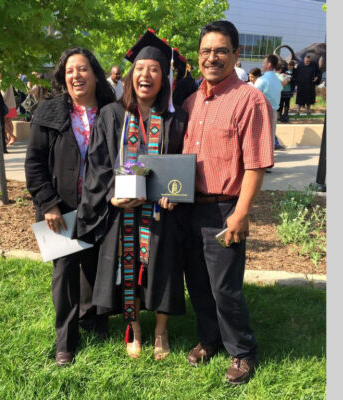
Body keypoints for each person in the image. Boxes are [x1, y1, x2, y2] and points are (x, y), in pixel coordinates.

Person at [76, 29, 188, 360]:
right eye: (140, 69)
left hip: (161, 214)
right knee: (128, 269)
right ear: (130, 75)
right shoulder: (112, 115)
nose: (146, 75)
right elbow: (97, 164)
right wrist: (111, 196)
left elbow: (182, 165)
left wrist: (174, 193)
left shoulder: (175, 118)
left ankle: (161, 333)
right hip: (122, 213)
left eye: (154, 69)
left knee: (164, 268)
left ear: (163, 77)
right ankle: (134, 328)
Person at [181, 20, 274, 385]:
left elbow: (256, 164)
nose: (212, 57)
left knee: (225, 287)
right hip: (189, 207)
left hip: (224, 208)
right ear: (198, 56)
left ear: (236, 54)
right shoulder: (191, 101)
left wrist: (241, 213)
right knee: (199, 283)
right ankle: (210, 338)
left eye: (221, 50)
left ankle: (242, 351)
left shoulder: (249, 99)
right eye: (206, 51)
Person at [24, 47, 115, 367]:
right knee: (64, 275)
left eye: (83, 69)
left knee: (94, 268)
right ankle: (65, 340)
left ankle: (92, 319)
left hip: (100, 207)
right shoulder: (48, 112)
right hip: (58, 210)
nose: (77, 75)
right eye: (70, 70)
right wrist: (47, 203)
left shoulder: (110, 110)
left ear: (95, 73)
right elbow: (34, 164)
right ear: (64, 77)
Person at [254, 54, 285, 151]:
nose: (262, 64)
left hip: (262, 112)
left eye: (263, 62)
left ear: (269, 64)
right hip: (274, 111)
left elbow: (253, 96)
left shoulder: (262, 79)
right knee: (271, 136)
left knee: (259, 137)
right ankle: (269, 157)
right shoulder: (277, 79)